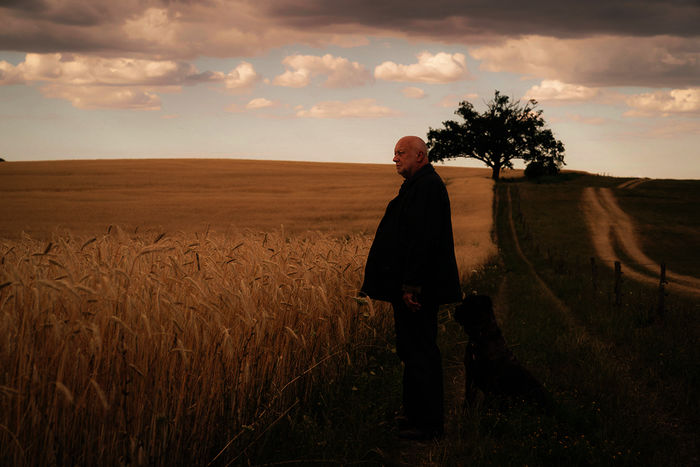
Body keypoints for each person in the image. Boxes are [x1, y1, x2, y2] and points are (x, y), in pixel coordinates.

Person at [361, 135, 462, 440]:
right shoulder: (418, 185)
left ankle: (427, 424)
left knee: (420, 352)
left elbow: (423, 240)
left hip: (417, 290)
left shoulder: (428, 187)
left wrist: (412, 286)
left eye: (400, 153)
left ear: (420, 155)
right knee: (412, 350)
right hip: (411, 287)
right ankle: (414, 415)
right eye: (394, 153)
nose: (395, 158)